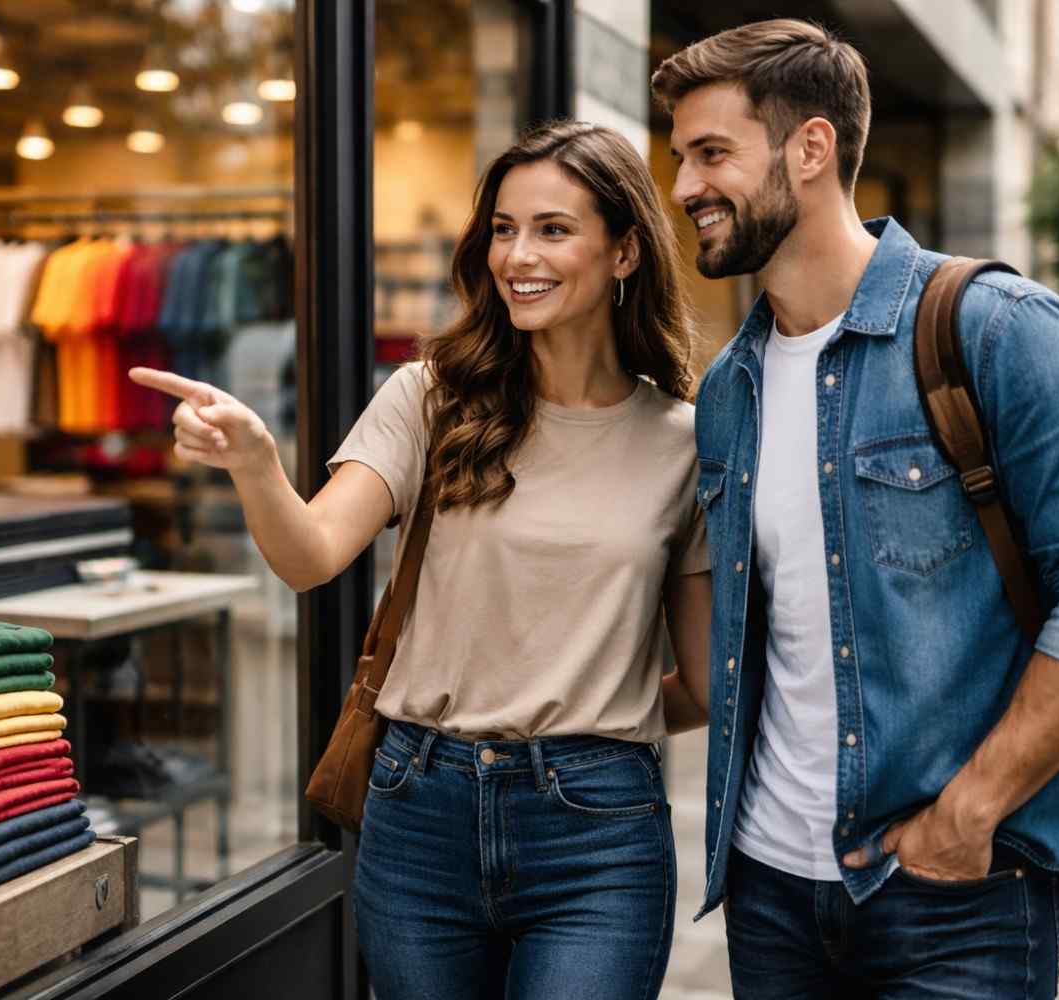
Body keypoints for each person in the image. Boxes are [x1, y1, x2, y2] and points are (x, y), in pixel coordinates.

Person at [131, 120, 712, 1000]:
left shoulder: (683, 441)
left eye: (553, 229)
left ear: (625, 250)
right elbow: (311, 555)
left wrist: (591, 730)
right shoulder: (431, 396)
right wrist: (255, 460)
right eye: (504, 229)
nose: (519, 255)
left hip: (595, 838)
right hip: (419, 814)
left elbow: (703, 682)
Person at [652, 18, 1059, 999]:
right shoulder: (728, 392)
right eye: (678, 158)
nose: (684, 188)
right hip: (769, 890)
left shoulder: (996, 328)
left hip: (957, 894)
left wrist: (971, 811)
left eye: (712, 154)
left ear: (812, 147)